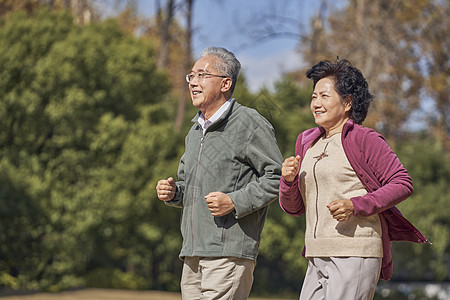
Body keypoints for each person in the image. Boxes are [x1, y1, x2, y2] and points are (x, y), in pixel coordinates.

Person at [279, 59, 428, 300]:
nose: (316, 104)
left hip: (355, 251)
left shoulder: (364, 139)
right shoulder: (306, 142)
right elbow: (294, 208)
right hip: (315, 254)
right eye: (314, 97)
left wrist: (355, 205)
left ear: (347, 102)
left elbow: (402, 183)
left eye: (324, 96)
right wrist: (288, 181)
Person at [156, 47, 283, 300]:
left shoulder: (249, 123)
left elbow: (278, 178)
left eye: (202, 75)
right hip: (192, 252)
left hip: (229, 252)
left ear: (226, 83)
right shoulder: (194, 131)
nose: (193, 81)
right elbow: (189, 187)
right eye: (191, 76)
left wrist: (234, 201)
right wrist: (174, 192)